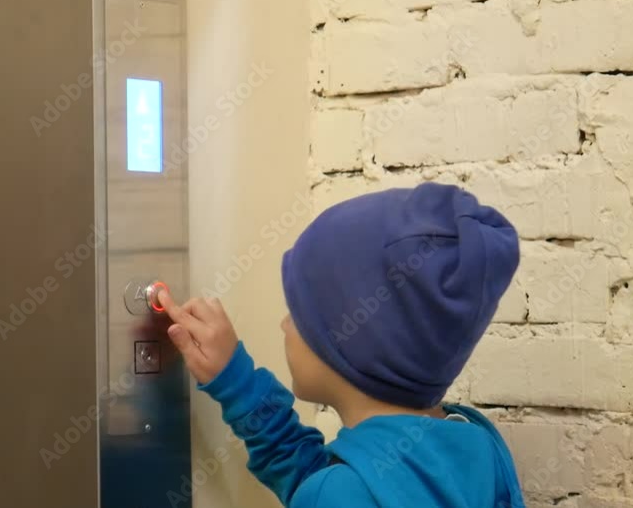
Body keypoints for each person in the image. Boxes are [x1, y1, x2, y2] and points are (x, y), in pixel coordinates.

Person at [157, 182, 525, 507]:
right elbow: (320, 478)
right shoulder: (477, 445)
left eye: (298, 312)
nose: (284, 324)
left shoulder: (335, 494)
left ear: (352, 348)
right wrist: (235, 381)